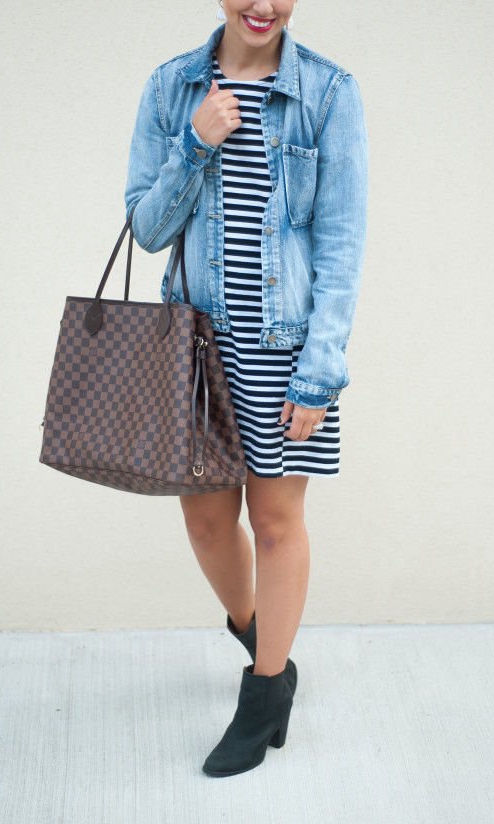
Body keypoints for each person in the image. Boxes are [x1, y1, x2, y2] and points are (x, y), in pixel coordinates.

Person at [125, 0, 368, 777]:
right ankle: (263, 636)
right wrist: (195, 143)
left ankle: (263, 696)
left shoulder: (328, 93)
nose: (262, 5)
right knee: (205, 524)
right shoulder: (172, 88)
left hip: (282, 349)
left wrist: (320, 372)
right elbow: (148, 228)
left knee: (274, 521)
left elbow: (341, 244)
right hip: (192, 348)